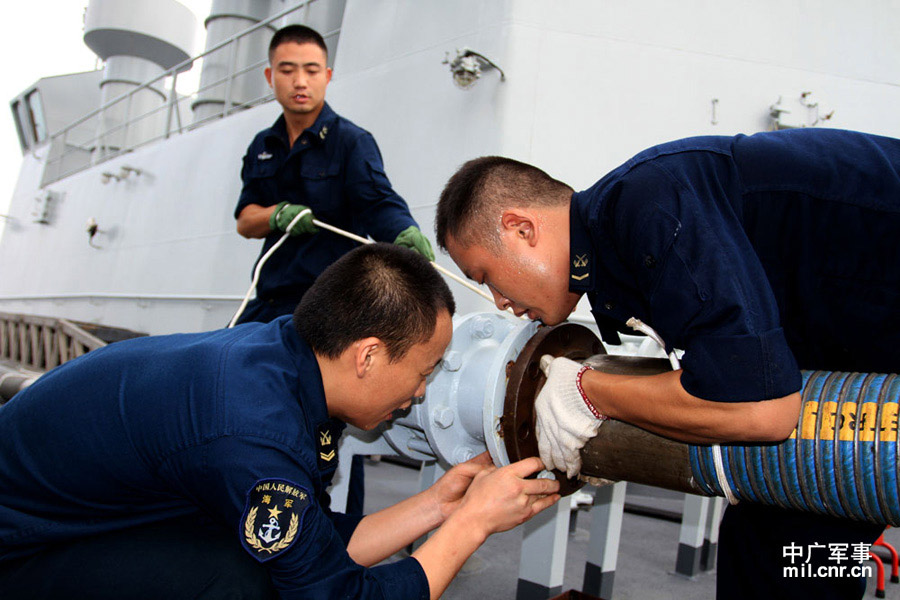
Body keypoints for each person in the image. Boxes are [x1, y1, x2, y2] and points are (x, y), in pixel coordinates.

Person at [434, 128, 900, 600]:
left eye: (487, 277)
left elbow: (762, 410)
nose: (500, 303)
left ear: (522, 229)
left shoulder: (650, 204)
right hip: (856, 351)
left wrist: (590, 392)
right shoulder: (619, 258)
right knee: (774, 551)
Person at [0, 243, 560, 599]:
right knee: (242, 584)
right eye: (424, 371)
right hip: (23, 551)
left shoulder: (284, 357)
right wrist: (470, 528)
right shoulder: (253, 435)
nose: (419, 394)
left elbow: (309, 545)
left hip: (84, 520)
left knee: (270, 563)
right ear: (366, 356)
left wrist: (441, 505)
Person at [234, 24, 433, 325]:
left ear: (326, 77)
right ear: (269, 76)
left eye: (311, 71)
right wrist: (277, 214)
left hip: (330, 303)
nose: (300, 82)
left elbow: (378, 203)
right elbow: (245, 221)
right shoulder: (263, 145)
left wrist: (404, 232)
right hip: (269, 300)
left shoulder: (351, 141)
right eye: (287, 71)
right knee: (217, 360)